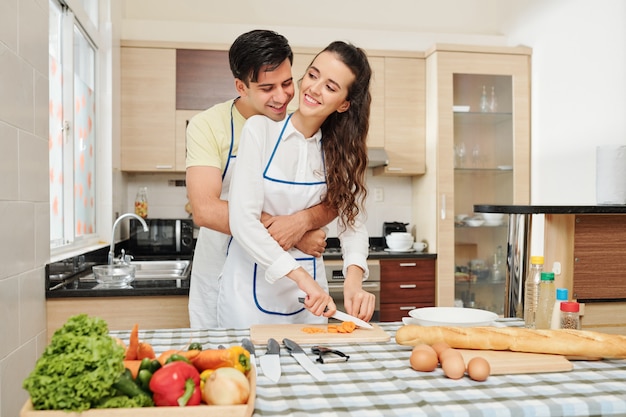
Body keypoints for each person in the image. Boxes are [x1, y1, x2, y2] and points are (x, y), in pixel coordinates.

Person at [218, 41, 376, 328]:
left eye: (330, 87)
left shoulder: (340, 153)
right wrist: (301, 277)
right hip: (248, 297)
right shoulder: (260, 130)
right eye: (313, 75)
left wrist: (353, 282)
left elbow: (352, 223)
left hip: (311, 303)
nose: (314, 89)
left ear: (343, 104)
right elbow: (243, 222)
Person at [186, 30, 336, 328]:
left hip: (287, 271)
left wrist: (301, 222)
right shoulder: (209, 126)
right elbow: (205, 209)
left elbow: (335, 198)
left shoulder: (304, 122)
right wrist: (292, 233)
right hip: (223, 270)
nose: (282, 97)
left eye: (287, 83)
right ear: (241, 86)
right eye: (267, 88)